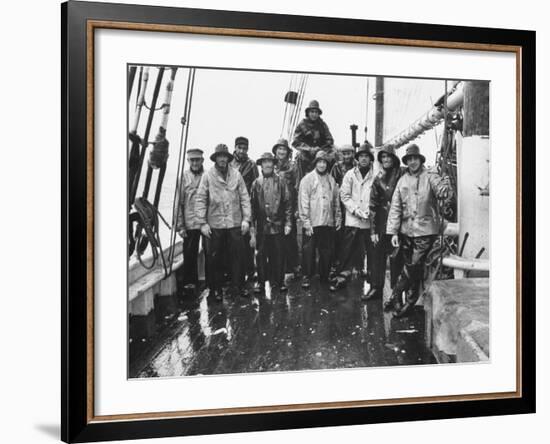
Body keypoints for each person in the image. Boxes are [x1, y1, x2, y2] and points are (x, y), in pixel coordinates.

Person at [386, 144, 451, 317]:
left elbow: (443, 193)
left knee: (413, 266)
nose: (412, 162)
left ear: (420, 160)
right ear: (406, 162)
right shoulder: (402, 180)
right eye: (409, 160)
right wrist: (393, 232)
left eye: (415, 158)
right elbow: (395, 207)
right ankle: (407, 300)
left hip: (425, 231)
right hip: (406, 231)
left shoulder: (430, 176)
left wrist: (445, 185)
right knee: (411, 267)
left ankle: (398, 296)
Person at [195, 143, 252, 301]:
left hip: (234, 222)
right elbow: (200, 199)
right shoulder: (207, 176)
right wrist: (202, 223)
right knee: (214, 259)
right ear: (215, 158)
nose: (222, 159)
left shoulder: (236, 175)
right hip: (215, 224)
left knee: (238, 257)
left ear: (228, 158)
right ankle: (216, 290)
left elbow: (244, 198)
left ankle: (239, 287)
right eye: (219, 156)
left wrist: (246, 219)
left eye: (225, 157)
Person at [329, 143, 375, 293]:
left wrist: (369, 211)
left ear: (370, 159)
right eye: (361, 156)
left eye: (366, 156)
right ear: (358, 158)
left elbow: (377, 196)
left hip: (369, 220)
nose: (363, 159)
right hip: (353, 219)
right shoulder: (349, 175)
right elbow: (344, 195)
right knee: (347, 250)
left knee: (371, 250)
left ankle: (373, 281)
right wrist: (356, 210)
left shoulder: (375, 175)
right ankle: (342, 278)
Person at [368, 145, 406, 302]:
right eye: (383, 157)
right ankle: (376, 288)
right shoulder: (378, 178)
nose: (386, 160)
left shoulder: (403, 173)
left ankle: (395, 294)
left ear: (394, 158)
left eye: (389, 157)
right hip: (382, 223)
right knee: (377, 257)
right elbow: (373, 205)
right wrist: (373, 230)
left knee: (396, 259)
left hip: (398, 224)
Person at [250, 152, 292, 294]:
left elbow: (287, 204)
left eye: (270, 162)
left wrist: (288, 224)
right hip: (262, 228)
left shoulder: (281, 181)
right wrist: (252, 230)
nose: (267, 164)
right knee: (261, 256)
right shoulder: (256, 183)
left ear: (273, 164)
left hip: (278, 226)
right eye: (264, 162)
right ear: (261, 165)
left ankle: (279, 282)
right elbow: (252, 208)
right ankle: (261, 284)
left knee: (279, 255)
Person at [298, 150, 341, 289]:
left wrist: (337, 218)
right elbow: (303, 202)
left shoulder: (331, 180)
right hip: (312, 222)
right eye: (319, 162)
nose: (322, 165)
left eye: (324, 162)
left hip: (327, 222)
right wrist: (306, 222)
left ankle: (324, 275)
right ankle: (306, 276)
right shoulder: (307, 179)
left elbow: (336, 201)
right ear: (315, 163)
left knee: (326, 250)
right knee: (308, 250)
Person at [175, 148, 206, 289]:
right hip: (189, 223)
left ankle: (210, 281)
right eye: (192, 160)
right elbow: (178, 202)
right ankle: (190, 283)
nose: (195, 163)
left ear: (202, 160)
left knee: (211, 253)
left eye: (197, 160)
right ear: (188, 161)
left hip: (206, 223)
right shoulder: (183, 177)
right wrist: (180, 226)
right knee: (189, 254)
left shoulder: (208, 176)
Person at [230, 136, 258, 282]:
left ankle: (250, 270)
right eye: (239, 147)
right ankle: (234, 272)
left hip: (247, 205)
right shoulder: (229, 163)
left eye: (244, 148)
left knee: (249, 240)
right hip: (232, 207)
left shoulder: (252, 165)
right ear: (235, 147)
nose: (242, 151)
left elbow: (257, 185)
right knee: (234, 240)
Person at [272, 138, 300, 276]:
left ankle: (294, 266)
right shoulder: (271, 166)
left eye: (284, 149)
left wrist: (297, 209)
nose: (281, 152)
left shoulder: (293, 167)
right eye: (279, 149)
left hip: (289, 206)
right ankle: (278, 268)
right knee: (276, 239)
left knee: (291, 237)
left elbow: (297, 187)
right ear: (275, 151)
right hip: (275, 208)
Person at [330, 143, 358, 273]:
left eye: (349, 153)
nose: (347, 156)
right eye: (344, 153)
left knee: (356, 234)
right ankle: (338, 264)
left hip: (356, 203)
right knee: (340, 234)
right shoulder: (337, 167)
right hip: (341, 204)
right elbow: (332, 184)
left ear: (353, 154)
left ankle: (356, 265)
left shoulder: (358, 166)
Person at [292, 100, 335, 182]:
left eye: (316, 112)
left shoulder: (322, 124)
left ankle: (330, 182)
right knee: (300, 158)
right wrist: (309, 149)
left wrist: (320, 149)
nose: (314, 114)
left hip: (320, 152)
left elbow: (330, 139)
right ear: (308, 112)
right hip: (306, 154)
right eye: (312, 112)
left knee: (332, 157)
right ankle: (300, 184)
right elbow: (295, 142)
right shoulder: (302, 124)